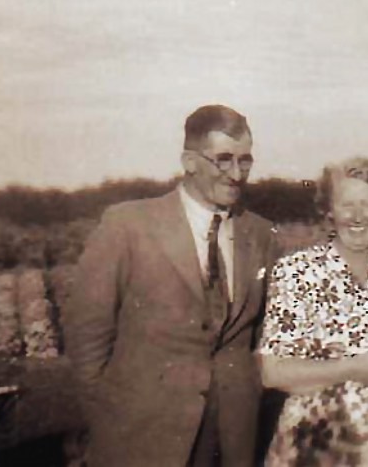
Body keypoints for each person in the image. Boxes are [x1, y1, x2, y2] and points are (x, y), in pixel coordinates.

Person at [65, 105, 281, 467]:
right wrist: (108, 416)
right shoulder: (128, 225)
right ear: (190, 161)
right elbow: (88, 333)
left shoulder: (260, 233)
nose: (236, 174)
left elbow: (261, 332)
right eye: (223, 160)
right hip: (144, 432)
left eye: (245, 161)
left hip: (233, 432)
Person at [257, 157, 368, 466]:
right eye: (347, 205)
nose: (358, 216)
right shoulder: (298, 271)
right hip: (318, 442)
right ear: (329, 211)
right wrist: (352, 369)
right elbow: (273, 373)